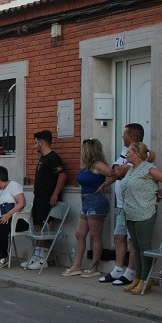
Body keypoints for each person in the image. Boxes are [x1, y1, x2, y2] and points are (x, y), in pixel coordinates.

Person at [118, 142, 162, 294]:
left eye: (129, 151)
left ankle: (146, 279)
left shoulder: (148, 168)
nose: (126, 154)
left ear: (136, 154)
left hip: (145, 212)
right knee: (135, 245)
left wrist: (160, 196)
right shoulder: (130, 169)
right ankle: (138, 277)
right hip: (130, 213)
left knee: (144, 246)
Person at [99, 123, 144, 286]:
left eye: (124, 133)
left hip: (133, 205)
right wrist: (105, 184)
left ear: (131, 136)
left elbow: (118, 171)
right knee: (119, 236)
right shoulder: (126, 152)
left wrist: (118, 170)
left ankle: (130, 272)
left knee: (132, 240)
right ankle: (118, 269)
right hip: (121, 205)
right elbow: (114, 171)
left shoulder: (137, 153)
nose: (122, 136)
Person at [61, 139, 114, 278]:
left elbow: (113, 174)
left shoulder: (98, 165)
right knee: (79, 234)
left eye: (83, 148)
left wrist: (104, 185)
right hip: (85, 201)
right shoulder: (86, 166)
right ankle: (77, 265)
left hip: (96, 201)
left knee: (95, 235)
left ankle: (94, 267)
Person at [22, 130, 66, 270]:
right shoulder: (42, 158)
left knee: (46, 228)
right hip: (39, 197)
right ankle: (37, 256)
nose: (34, 145)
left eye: (35, 142)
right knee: (38, 227)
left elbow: (62, 176)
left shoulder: (53, 158)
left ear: (41, 142)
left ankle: (44, 259)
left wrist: (55, 194)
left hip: (48, 197)